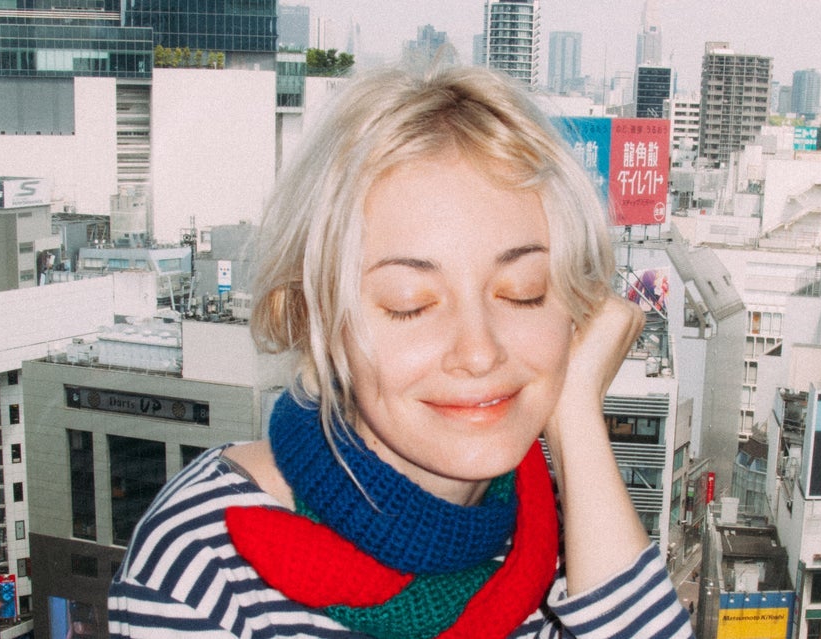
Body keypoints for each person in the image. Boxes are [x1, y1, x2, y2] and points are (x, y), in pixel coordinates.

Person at [108, 64, 694, 639]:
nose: (479, 352)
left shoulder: (580, 539)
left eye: (524, 292)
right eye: (411, 304)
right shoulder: (203, 565)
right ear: (317, 320)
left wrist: (577, 422)